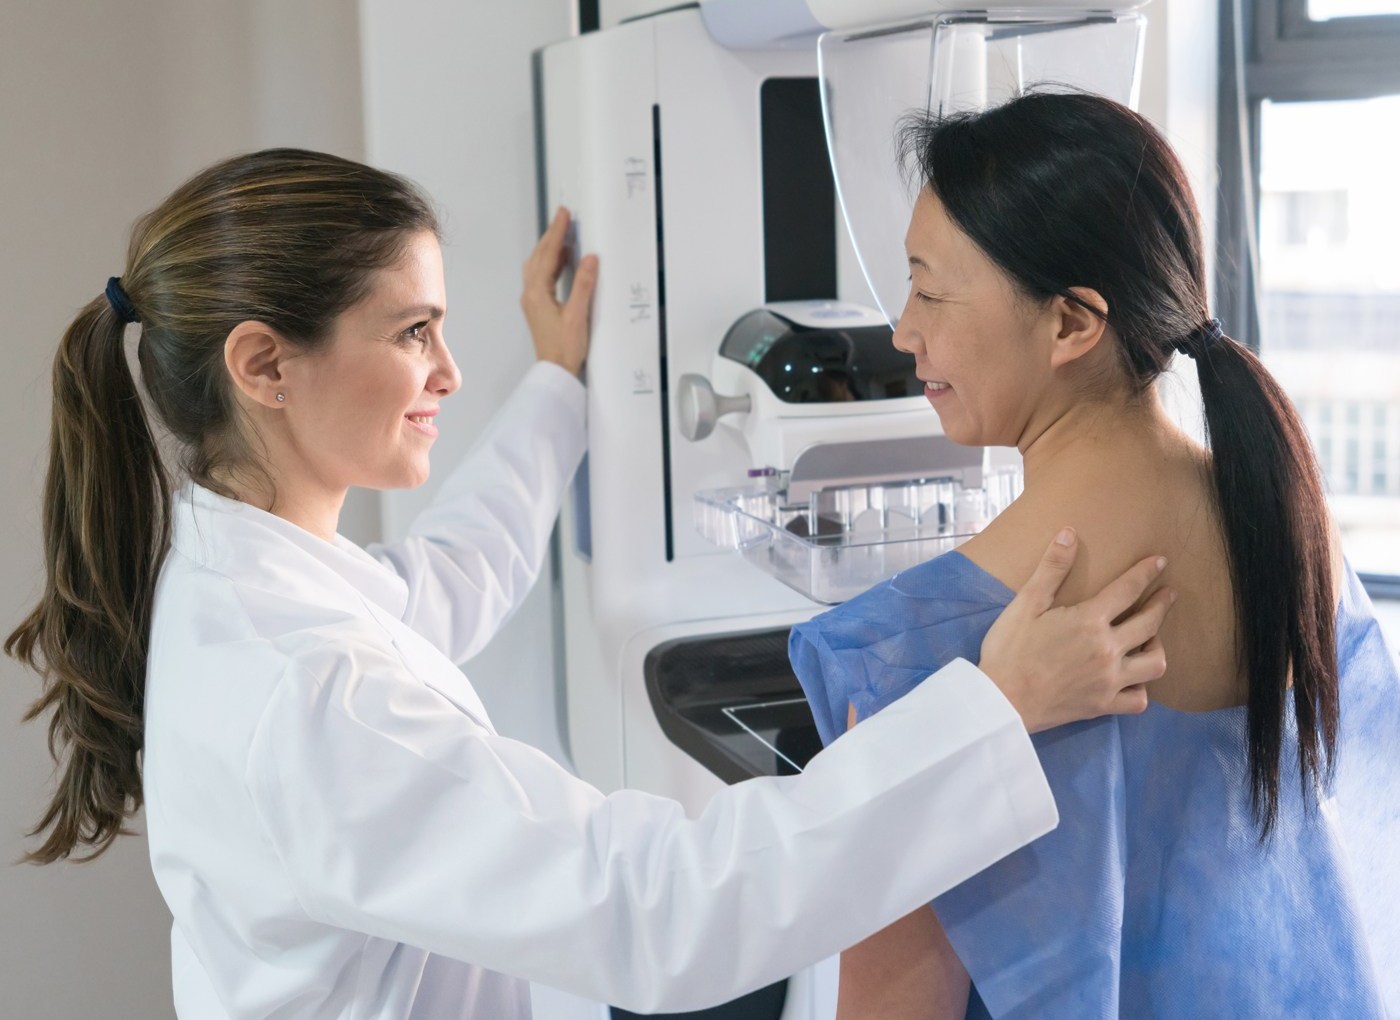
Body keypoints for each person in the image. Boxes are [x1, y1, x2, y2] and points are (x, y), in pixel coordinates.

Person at [5, 148, 1174, 1019]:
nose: (450, 372)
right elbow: (660, 910)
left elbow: (445, 580)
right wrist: (995, 710)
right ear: (262, 364)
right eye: (413, 332)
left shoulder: (243, 578)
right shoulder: (307, 691)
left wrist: (558, 384)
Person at [790, 90, 1400, 1019]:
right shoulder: (1290, 534)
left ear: (1073, 323)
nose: (903, 330)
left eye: (928, 288)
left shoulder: (909, 651)